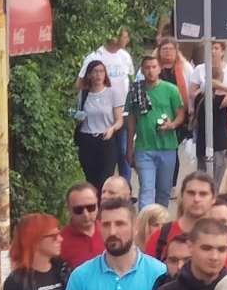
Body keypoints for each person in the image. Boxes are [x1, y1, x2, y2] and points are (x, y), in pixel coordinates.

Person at [126, 54, 185, 210]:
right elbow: (131, 119)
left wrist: (172, 125)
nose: (150, 71)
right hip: (144, 147)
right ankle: (144, 225)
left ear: (159, 69)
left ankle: (160, 224)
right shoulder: (136, 90)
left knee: (164, 190)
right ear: (142, 70)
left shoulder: (171, 89)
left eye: (154, 67)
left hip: (167, 147)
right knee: (146, 188)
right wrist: (129, 147)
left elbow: (180, 113)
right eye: (147, 68)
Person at [73, 58, 124, 187]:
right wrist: (76, 116)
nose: (98, 75)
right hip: (87, 140)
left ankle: (104, 205)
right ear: (89, 75)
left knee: (105, 179)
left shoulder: (113, 92)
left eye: (101, 71)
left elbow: (119, 120)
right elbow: (78, 114)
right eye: (95, 72)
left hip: (106, 140)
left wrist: (112, 129)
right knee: (91, 180)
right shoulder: (83, 94)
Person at [60, 183, 104, 270]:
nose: (86, 215)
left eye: (91, 207)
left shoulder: (110, 232)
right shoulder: (60, 242)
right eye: (78, 210)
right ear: (69, 209)